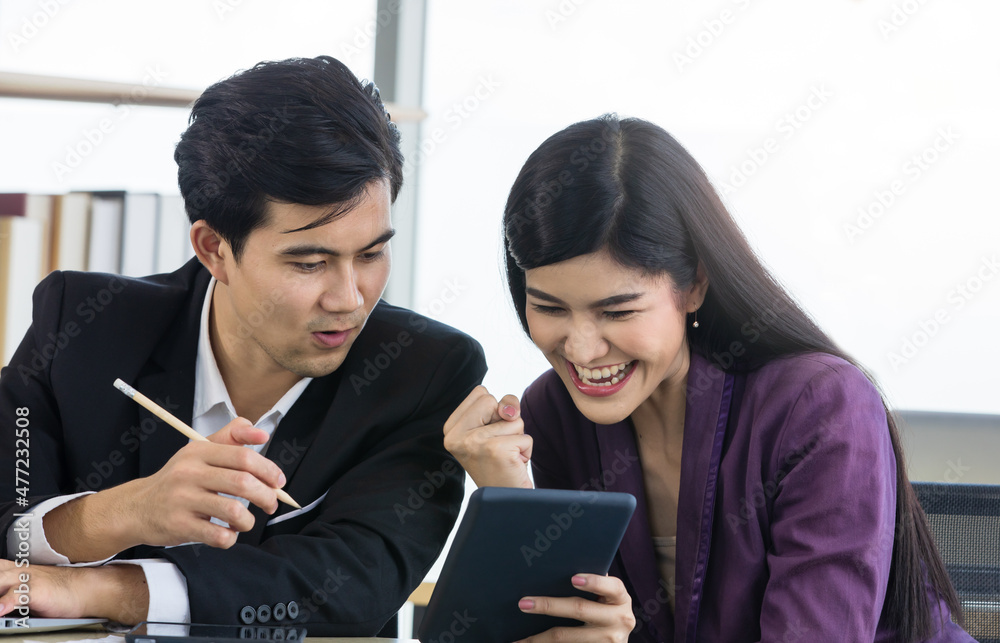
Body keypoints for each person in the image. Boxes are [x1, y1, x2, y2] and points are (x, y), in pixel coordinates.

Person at [0, 56, 486, 635]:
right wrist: (128, 511)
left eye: (372, 253)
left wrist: (102, 588)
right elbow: (11, 509)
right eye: (310, 262)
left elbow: (353, 585)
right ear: (213, 249)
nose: (350, 299)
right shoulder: (80, 324)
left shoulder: (425, 372)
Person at [444, 115, 973, 642]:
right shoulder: (555, 415)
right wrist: (511, 498)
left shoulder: (820, 405)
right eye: (550, 308)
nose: (581, 349)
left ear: (694, 284)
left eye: (618, 311)